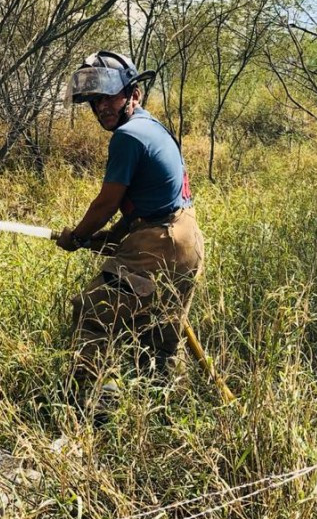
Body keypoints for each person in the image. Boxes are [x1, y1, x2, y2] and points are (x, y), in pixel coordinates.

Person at [55, 51, 205, 410]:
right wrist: (116, 236)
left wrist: (75, 238)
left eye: (109, 96)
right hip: (185, 236)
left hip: (159, 242)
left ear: (133, 94)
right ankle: (167, 412)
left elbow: (106, 203)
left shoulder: (126, 137)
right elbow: (148, 197)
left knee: (92, 314)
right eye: (94, 101)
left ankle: (93, 409)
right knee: (159, 337)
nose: (101, 107)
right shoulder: (151, 126)